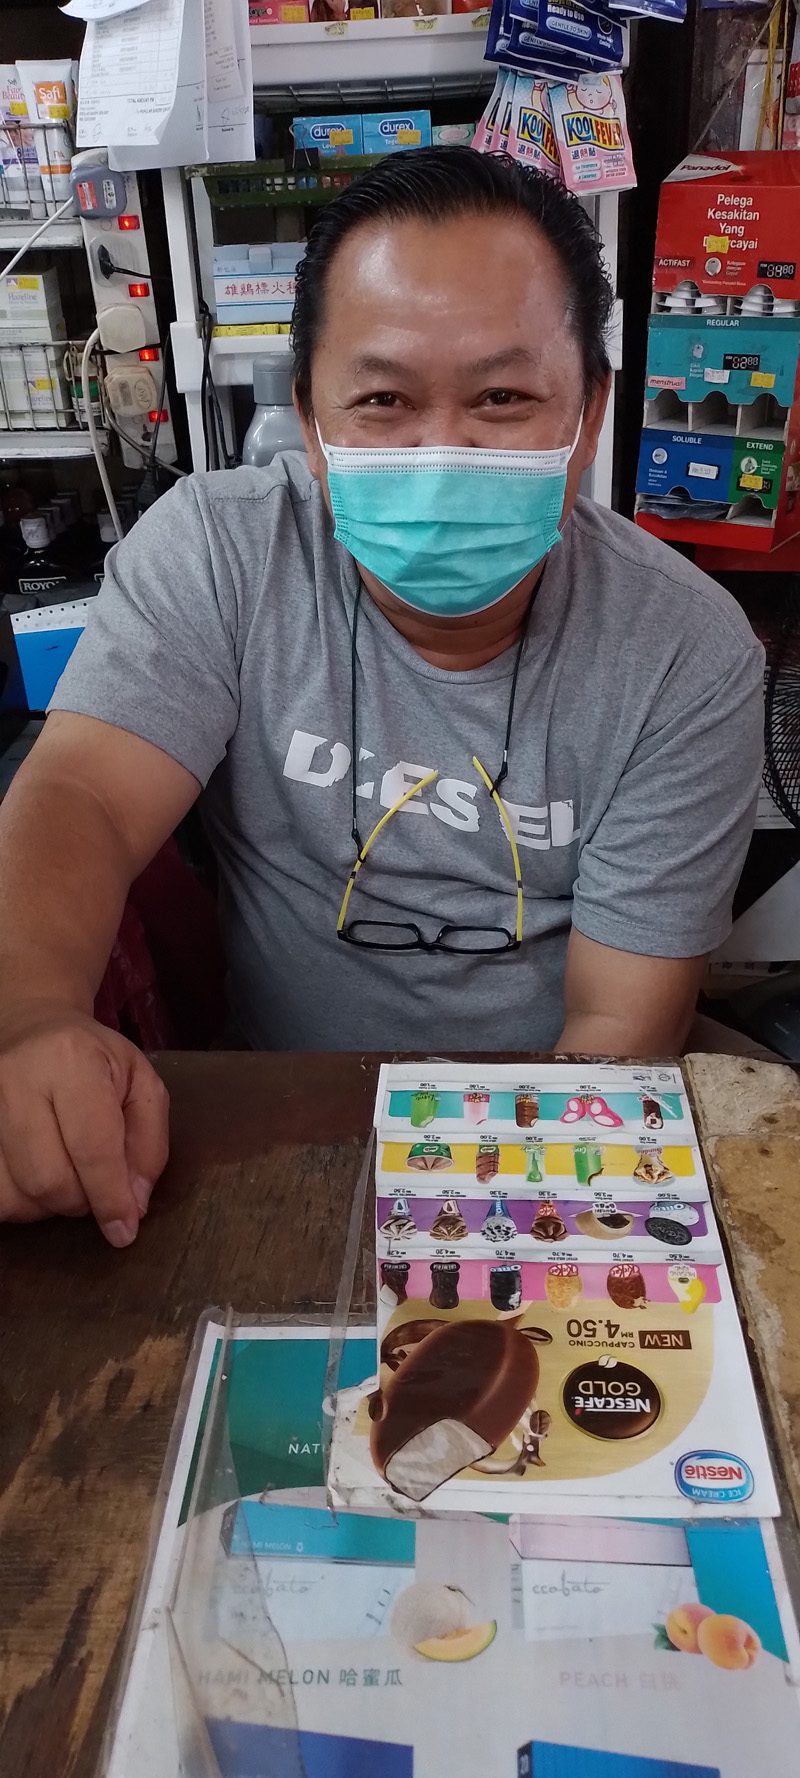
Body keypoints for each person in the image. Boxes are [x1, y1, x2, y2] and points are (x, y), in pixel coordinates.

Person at [0, 149, 763, 1245]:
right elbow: (82, 793)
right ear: (309, 424)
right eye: (383, 401)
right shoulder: (220, 553)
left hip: (546, 1124)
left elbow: (616, 1026)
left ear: (589, 413)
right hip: (274, 1106)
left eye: (502, 398)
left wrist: (497, 1221)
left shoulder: (685, 652)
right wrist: (27, 1014)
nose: (441, 451)